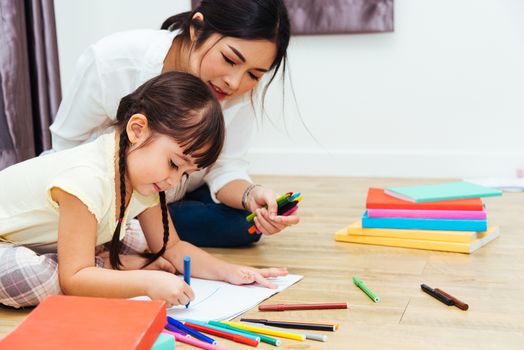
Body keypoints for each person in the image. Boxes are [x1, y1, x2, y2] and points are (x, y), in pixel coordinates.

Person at [0, 72, 287, 309]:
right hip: (7, 241)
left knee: (137, 238)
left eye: (186, 173)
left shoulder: (144, 178)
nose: (175, 181)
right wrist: (145, 282)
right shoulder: (87, 180)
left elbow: (172, 247)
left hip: (42, 237)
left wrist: (232, 273)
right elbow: (73, 281)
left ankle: (102, 263)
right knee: (42, 279)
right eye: (174, 163)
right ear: (137, 130)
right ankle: (104, 265)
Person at [48, 0, 299, 247]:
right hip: (111, 194)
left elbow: (225, 168)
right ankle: (132, 225)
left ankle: (139, 229)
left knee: (246, 224)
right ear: (196, 28)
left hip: (177, 194)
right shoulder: (112, 63)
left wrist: (251, 196)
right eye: (230, 60)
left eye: (254, 74)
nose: (234, 82)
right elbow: (67, 147)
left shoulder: (240, 92)